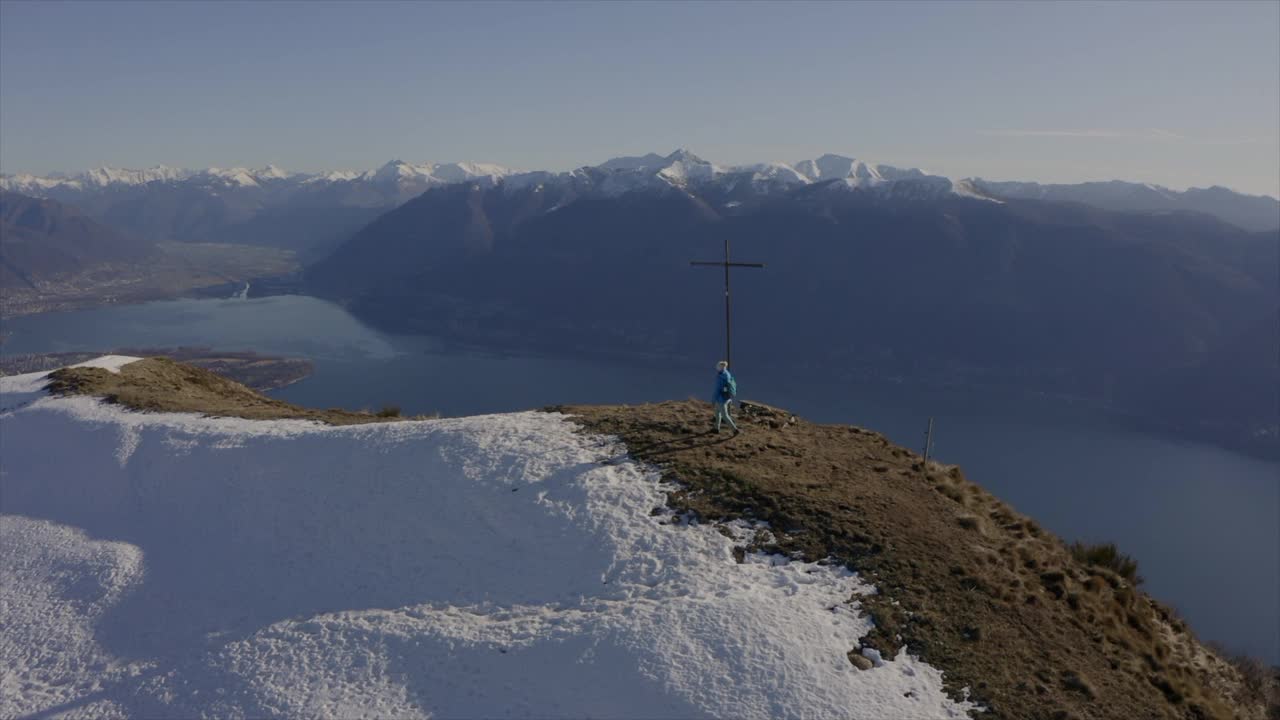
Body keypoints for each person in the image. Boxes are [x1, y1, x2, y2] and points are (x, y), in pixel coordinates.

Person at [711, 360, 739, 434]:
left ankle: (735, 430)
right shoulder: (727, 373)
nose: (716, 368)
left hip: (721, 399)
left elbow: (717, 390)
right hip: (726, 397)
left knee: (725, 416)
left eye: (717, 367)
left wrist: (713, 400)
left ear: (720, 368)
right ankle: (716, 428)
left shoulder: (721, 377)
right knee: (717, 413)